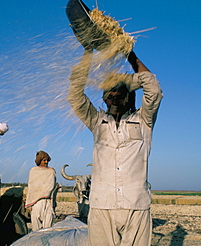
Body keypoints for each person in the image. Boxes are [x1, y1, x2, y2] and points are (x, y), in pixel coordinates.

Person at [68, 46, 163, 245]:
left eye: (120, 94)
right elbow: (75, 96)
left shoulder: (143, 120)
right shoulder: (97, 122)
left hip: (136, 206)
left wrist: (129, 55)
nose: (114, 98)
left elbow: (153, 89)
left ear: (130, 97)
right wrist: (88, 51)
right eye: (109, 95)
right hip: (102, 206)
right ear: (104, 99)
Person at [25, 151, 57, 231]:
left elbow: (51, 187)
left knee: (48, 228)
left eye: (47, 160)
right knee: (36, 229)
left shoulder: (51, 171)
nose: (46, 162)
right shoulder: (33, 171)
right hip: (36, 202)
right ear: (39, 161)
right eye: (44, 160)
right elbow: (32, 187)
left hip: (48, 202)